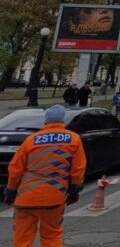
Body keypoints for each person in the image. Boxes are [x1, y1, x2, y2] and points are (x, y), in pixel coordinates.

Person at [3, 105, 86, 247]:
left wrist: (10, 190)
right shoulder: (74, 139)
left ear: (46, 120)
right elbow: (78, 169)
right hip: (54, 198)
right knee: (52, 236)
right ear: (63, 121)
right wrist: (74, 190)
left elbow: (15, 168)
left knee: (22, 239)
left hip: (26, 198)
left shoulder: (31, 140)